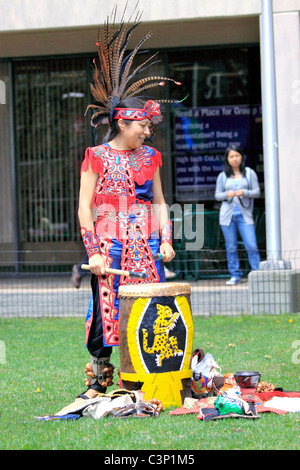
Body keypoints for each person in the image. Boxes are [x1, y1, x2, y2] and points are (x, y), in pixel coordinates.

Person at [75, 9, 179, 400]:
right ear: (122, 123)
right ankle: (100, 380)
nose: (148, 131)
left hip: (147, 245)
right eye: (144, 125)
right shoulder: (96, 155)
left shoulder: (150, 156)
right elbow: (85, 207)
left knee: (154, 307)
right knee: (105, 314)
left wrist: (166, 240)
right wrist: (95, 252)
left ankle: (149, 378)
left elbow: (160, 202)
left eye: (149, 127)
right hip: (109, 245)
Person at [214, 145, 261, 286]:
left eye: (237, 156)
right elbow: (217, 195)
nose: (234, 159)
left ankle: (256, 273)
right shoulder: (222, 176)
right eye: (231, 156)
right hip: (227, 217)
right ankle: (235, 274)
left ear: (241, 157)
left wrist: (245, 192)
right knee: (231, 247)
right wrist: (226, 194)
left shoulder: (249, 173)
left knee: (251, 245)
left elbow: (257, 192)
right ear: (227, 159)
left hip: (245, 216)